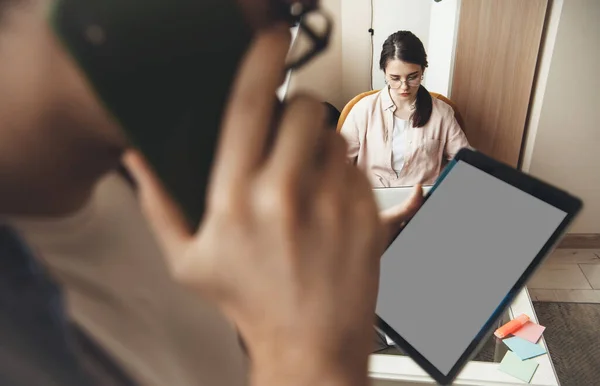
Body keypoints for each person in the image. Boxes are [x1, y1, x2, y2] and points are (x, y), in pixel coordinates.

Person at [0, 1, 422, 386]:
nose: (272, 42)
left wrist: (316, 267)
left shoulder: (157, 164)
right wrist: (310, 363)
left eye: (287, 16)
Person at [340, 31, 470, 188]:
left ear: (423, 70)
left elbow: (466, 163)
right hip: (372, 202)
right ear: (385, 73)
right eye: (395, 78)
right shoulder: (363, 109)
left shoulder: (442, 113)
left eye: (412, 77)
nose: (404, 87)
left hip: (422, 203)